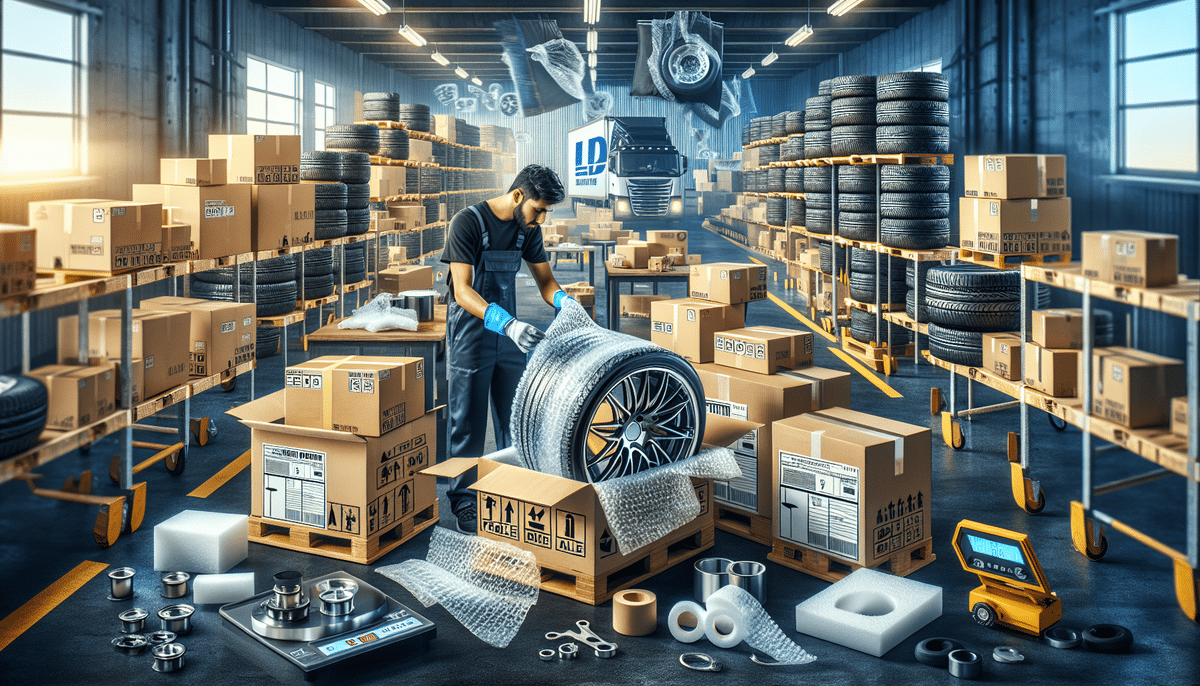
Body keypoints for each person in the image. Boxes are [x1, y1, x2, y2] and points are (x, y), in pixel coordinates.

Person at [439, 164, 574, 533]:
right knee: (467, 424)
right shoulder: (467, 223)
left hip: (510, 340)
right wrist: (507, 323)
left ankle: (512, 493)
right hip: (472, 336)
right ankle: (465, 502)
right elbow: (463, 290)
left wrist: (566, 302)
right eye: (539, 209)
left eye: (547, 212)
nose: (542, 219)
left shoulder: (526, 229)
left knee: (516, 420)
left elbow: (545, 280)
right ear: (518, 196)